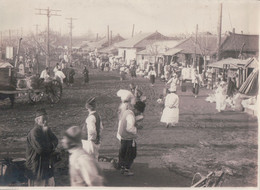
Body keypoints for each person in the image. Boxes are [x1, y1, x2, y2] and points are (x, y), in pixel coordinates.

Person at [26, 108, 58, 186]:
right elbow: (41, 149)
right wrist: (52, 147)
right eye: (43, 119)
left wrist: (49, 146)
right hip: (37, 166)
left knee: (49, 184)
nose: (45, 122)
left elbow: (56, 140)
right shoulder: (34, 132)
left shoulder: (46, 129)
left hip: (45, 164)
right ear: (37, 121)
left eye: (46, 119)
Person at [116, 100, 145, 176]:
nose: (138, 114)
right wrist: (137, 128)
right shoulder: (131, 116)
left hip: (123, 137)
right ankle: (126, 169)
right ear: (136, 110)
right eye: (139, 112)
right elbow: (129, 128)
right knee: (131, 154)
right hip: (128, 138)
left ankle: (121, 166)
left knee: (123, 152)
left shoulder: (127, 112)